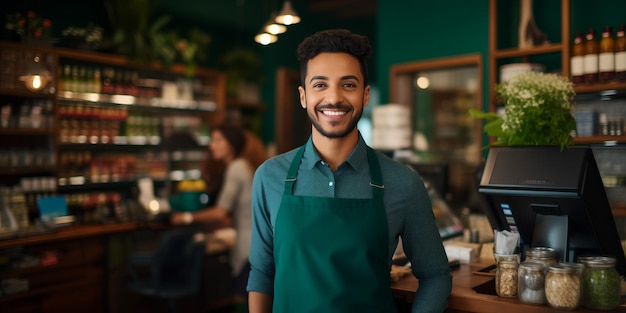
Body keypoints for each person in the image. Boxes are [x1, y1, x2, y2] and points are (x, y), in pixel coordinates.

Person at [247, 29, 452, 313]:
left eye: (348, 85)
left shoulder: (403, 183)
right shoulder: (269, 176)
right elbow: (261, 273)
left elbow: (435, 276)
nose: (334, 98)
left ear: (365, 94)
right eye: (320, 85)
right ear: (303, 96)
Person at [171, 124, 266, 311]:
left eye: (217, 140)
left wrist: (186, 218)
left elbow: (220, 211)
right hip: (254, 244)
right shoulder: (243, 165)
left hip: (248, 247)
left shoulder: (236, 167)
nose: (212, 145)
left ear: (230, 144)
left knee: (243, 301)